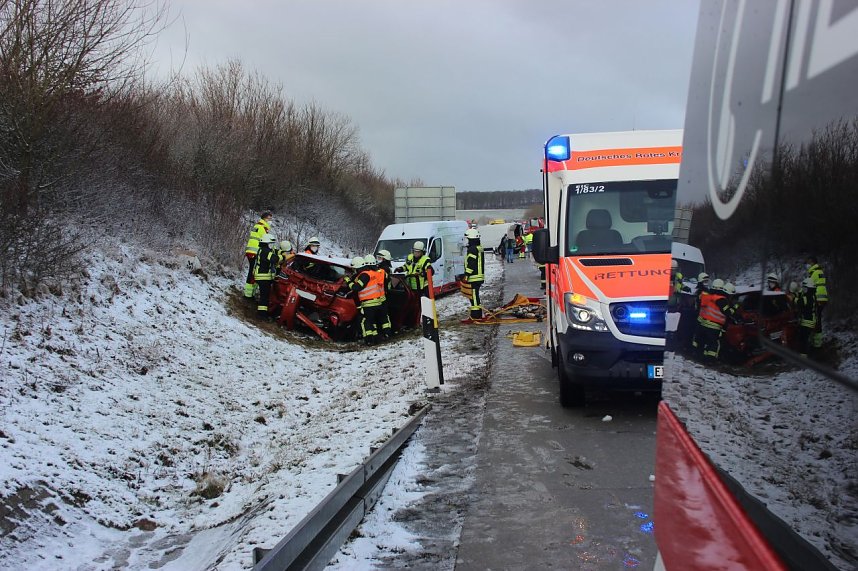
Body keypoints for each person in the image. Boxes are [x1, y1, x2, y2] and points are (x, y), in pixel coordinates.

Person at [348, 255, 387, 345]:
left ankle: (368, 340)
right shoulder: (371, 273)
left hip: (369, 303)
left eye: (354, 268)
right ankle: (376, 340)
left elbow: (356, 287)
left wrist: (347, 280)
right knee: (371, 322)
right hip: (377, 302)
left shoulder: (364, 275)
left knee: (365, 322)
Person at [693, 278, 729, 360]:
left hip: (703, 323)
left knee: (702, 341)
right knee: (713, 344)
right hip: (714, 326)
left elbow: (699, 305)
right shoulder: (721, 299)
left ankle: (698, 356)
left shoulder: (707, 296)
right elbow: (727, 312)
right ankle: (710, 360)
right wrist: (735, 310)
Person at [244, 210, 273, 298]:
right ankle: (248, 294)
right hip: (255, 252)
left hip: (251, 251)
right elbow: (264, 241)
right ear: (264, 218)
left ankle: (250, 292)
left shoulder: (258, 226)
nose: (270, 221)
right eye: (269, 219)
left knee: (253, 271)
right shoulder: (262, 228)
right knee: (253, 272)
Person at [253, 233, 280, 318]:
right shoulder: (266, 251)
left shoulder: (261, 250)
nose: (271, 246)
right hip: (263, 276)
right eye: (270, 244)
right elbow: (275, 259)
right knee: (264, 296)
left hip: (260, 275)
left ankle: (262, 313)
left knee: (264, 295)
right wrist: (282, 257)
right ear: (267, 243)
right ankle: (262, 315)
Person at [805, 255, 829, 349]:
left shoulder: (813, 273)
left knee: (815, 320)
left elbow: (809, 287)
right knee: (817, 319)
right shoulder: (820, 271)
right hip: (823, 297)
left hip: (817, 298)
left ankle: (816, 343)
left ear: (812, 263)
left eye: (808, 263)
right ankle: (816, 342)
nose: (807, 265)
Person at [464, 228, 485, 320]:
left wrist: (466, 275)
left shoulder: (472, 249)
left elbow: (471, 264)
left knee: (474, 296)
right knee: (475, 295)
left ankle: (476, 315)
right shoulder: (478, 248)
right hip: (478, 276)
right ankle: (477, 313)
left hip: (474, 277)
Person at [796, 277, 818, 357]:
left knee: (803, 339)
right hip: (812, 321)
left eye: (805, 288)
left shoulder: (805, 298)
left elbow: (797, 303)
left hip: (806, 322)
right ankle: (812, 353)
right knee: (808, 339)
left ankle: (803, 357)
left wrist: (796, 296)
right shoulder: (813, 297)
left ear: (808, 288)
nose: (804, 290)